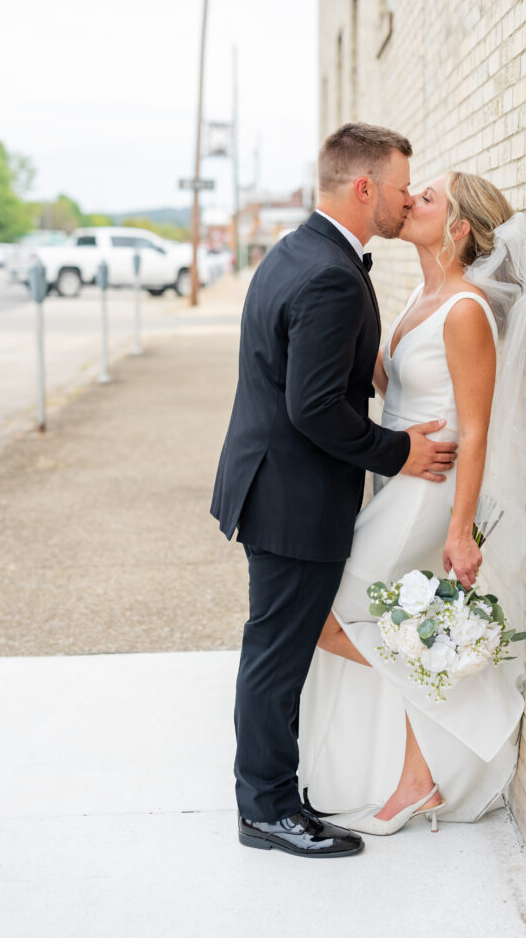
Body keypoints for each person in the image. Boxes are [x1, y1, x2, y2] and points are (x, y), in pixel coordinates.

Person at [210, 123, 459, 858]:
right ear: (362, 189)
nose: (406, 198)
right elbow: (313, 406)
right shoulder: (327, 273)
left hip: (272, 487)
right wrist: (402, 452)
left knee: (276, 649)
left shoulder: (298, 251)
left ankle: (273, 797)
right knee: (276, 656)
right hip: (292, 499)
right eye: (399, 186)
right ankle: (266, 811)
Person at [298, 172, 526, 834]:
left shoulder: (463, 310)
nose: (411, 202)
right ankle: (415, 772)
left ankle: (473, 698)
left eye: (427, 198)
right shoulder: (420, 296)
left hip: (429, 490)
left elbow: (476, 428)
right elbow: (389, 376)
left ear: (457, 229)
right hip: (395, 477)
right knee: (377, 618)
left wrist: (460, 531)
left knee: (327, 614)